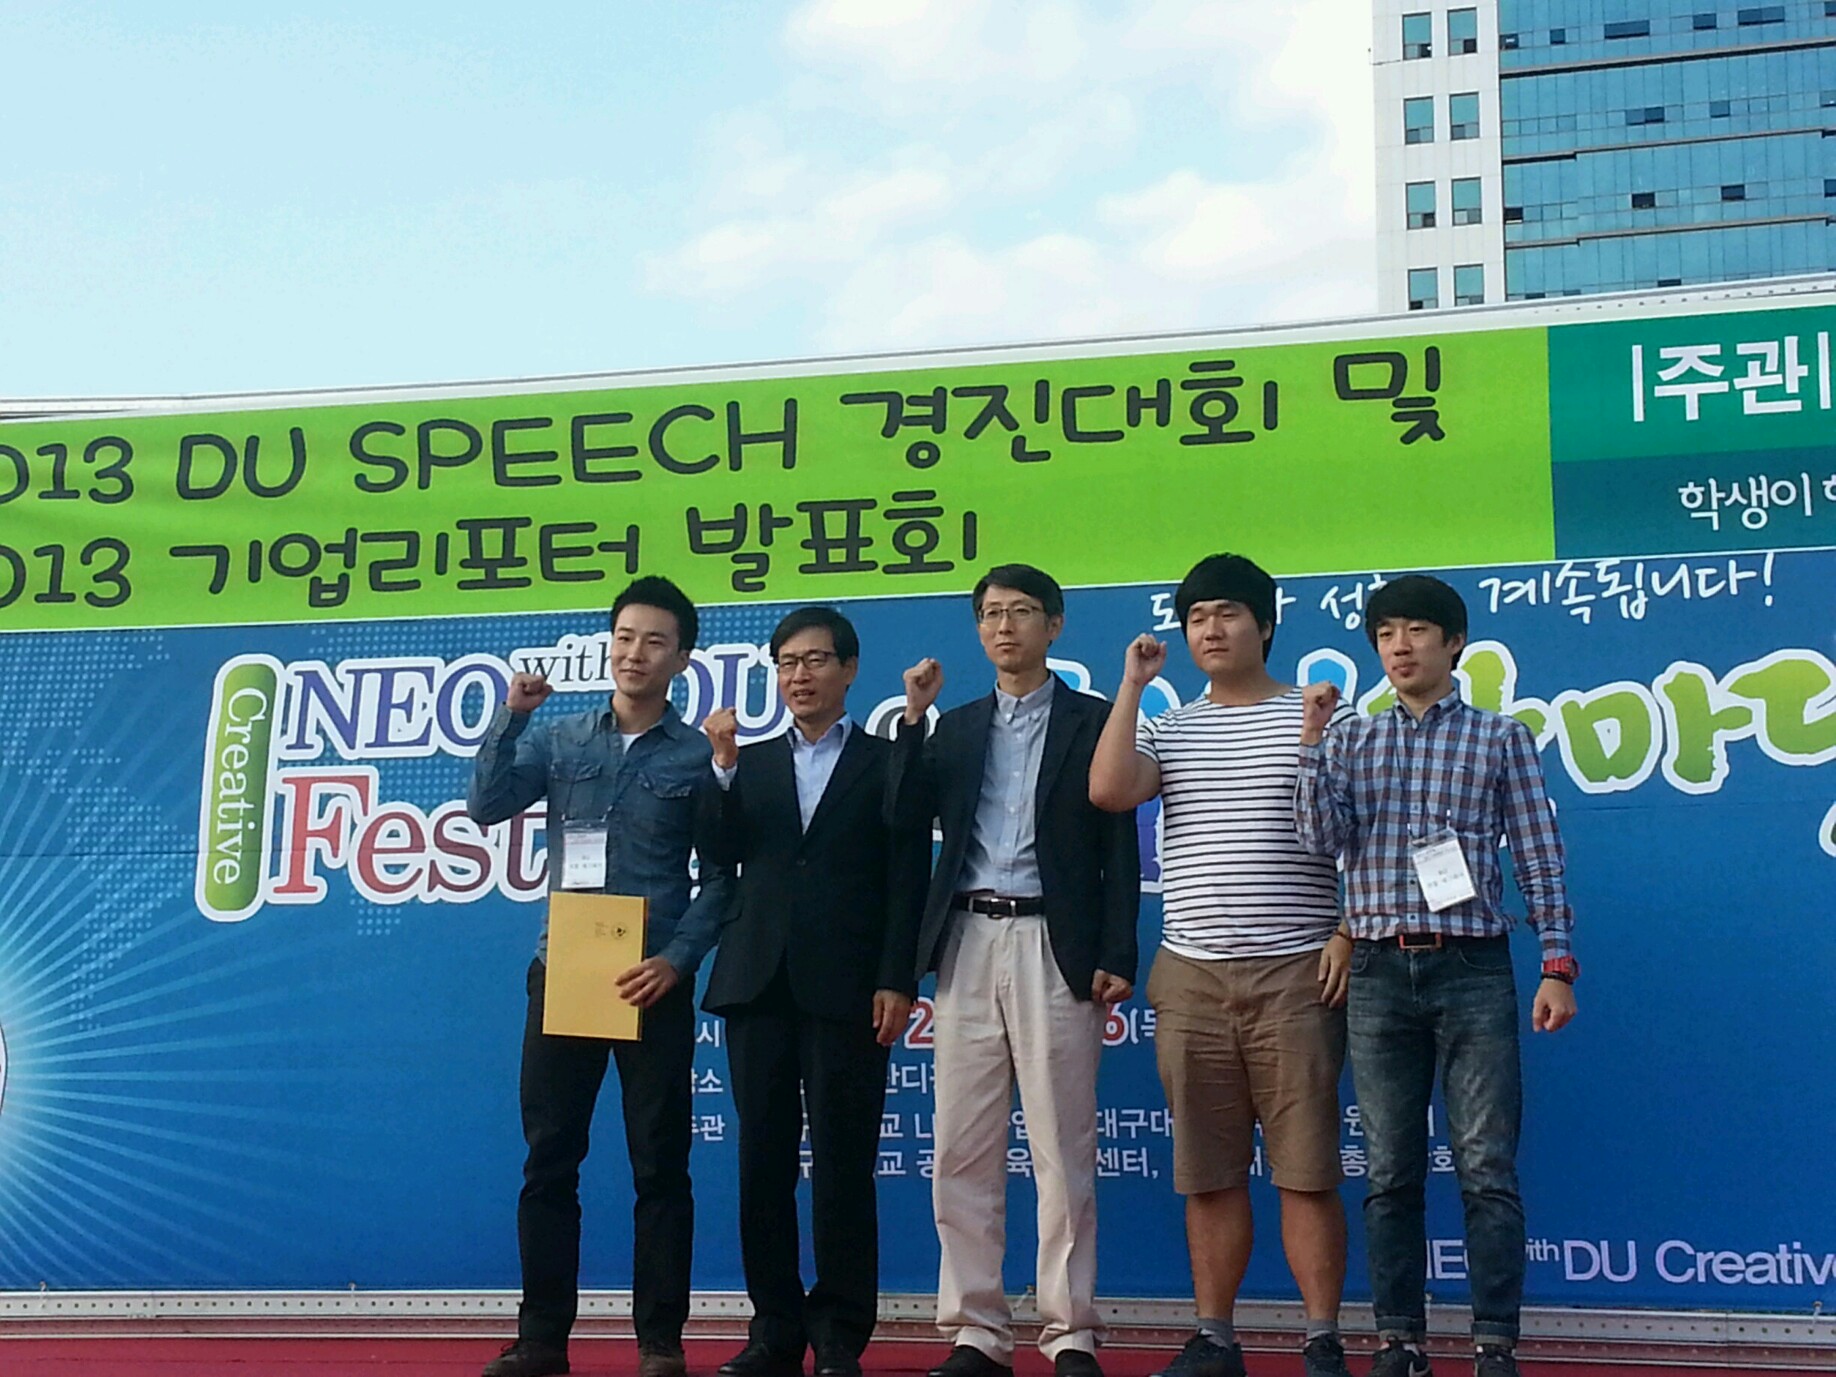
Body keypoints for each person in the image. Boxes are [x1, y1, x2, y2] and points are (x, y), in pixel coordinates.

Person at [1294, 574, 1578, 1377]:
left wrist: (1557, 963)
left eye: (1417, 630)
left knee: (1485, 1164)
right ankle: (1400, 1340)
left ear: (1454, 643)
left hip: (1472, 966)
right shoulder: (1351, 738)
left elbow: (1539, 853)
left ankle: (1494, 1344)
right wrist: (1311, 741)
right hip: (1378, 969)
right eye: (1386, 633)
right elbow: (1319, 839)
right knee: (1390, 1170)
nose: (1400, 646)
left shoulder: (1501, 737)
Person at [1088, 553, 1353, 1377]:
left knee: (1306, 1170)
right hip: (1193, 972)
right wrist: (1132, 686)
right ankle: (1215, 1337)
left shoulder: (1321, 713)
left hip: (1297, 971)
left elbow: (1367, 832)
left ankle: (1322, 1338)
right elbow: (1109, 789)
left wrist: (1348, 930)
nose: (1210, 628)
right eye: (1196, 616)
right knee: (1207, 1172)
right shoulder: (1172, 726)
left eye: (1228, 612)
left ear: (1265, 625)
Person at [468, 575, 733, 1377]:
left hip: (651, 979)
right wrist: (512, 715)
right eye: (623, 636)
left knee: (661, 1165)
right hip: (567, 969)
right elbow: (486, 806)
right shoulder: (560, 737)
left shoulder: (697, 755)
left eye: (654, 640)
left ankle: (660, 1342)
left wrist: (676, 960)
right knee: (550, 1159)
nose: (634, 652)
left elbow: (722, 878)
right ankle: (542, 1338)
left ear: (681, 658)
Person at [886, 563, 1140, 1377]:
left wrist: (1116, 951)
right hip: (966, 939)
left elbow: (1119, 849)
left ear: (1054, 625)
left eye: (1021, 611)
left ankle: (1070, 1331)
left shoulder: (1092, 719)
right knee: (961, 1144)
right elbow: (900, 816)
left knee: (1062, 1147)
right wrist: (914, 717)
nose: (1004, 627)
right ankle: (976, 1329)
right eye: (991, 613)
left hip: (1053, 943)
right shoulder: (955, 726)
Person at [698, 606, 930, 1377]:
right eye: (787, 662)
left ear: (849, 669)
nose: (800, 675)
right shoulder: (751, 760)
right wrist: (722, 765)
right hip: (757, 981)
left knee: (842, 1160)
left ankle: (838, 1331)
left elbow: (907, 876)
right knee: (762, 1160)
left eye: (816, 660)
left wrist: (897, 976)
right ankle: (773, 1328)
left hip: (850, 986)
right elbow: (718, 852)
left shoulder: (885, 758)